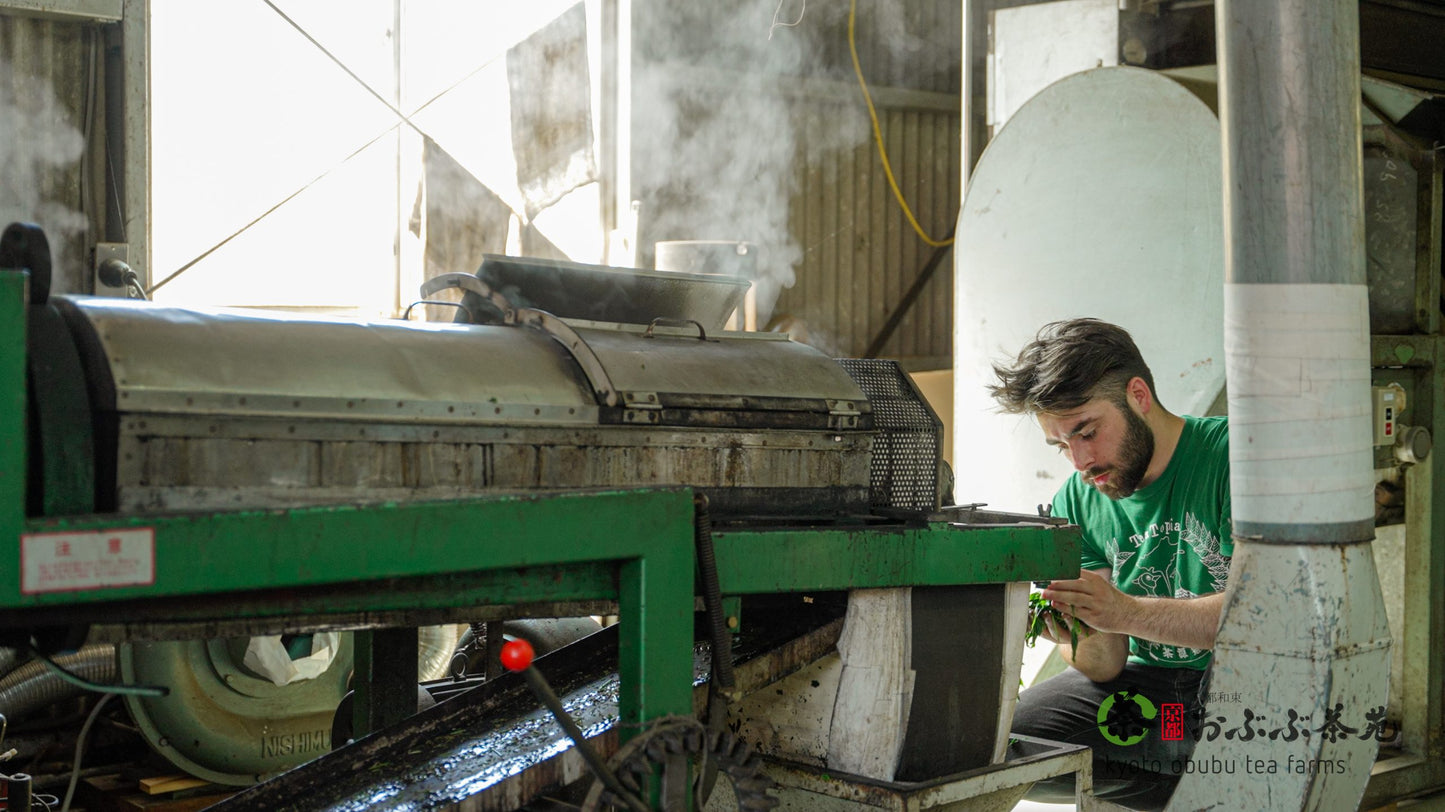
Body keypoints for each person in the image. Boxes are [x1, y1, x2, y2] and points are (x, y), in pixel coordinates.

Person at [988, 318, 1231, 809]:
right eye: (1062, 445)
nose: (1079, 461)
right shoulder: (1075, 502)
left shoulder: (1232, 458)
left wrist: (1122, 611)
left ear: (1138, 396)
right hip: (1156, 701)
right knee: (1002, 746)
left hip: (1239, 684)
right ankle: (1175, 786)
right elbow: (1105, 664)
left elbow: (1258, 621)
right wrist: (1075, 628)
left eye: (1087, 433)